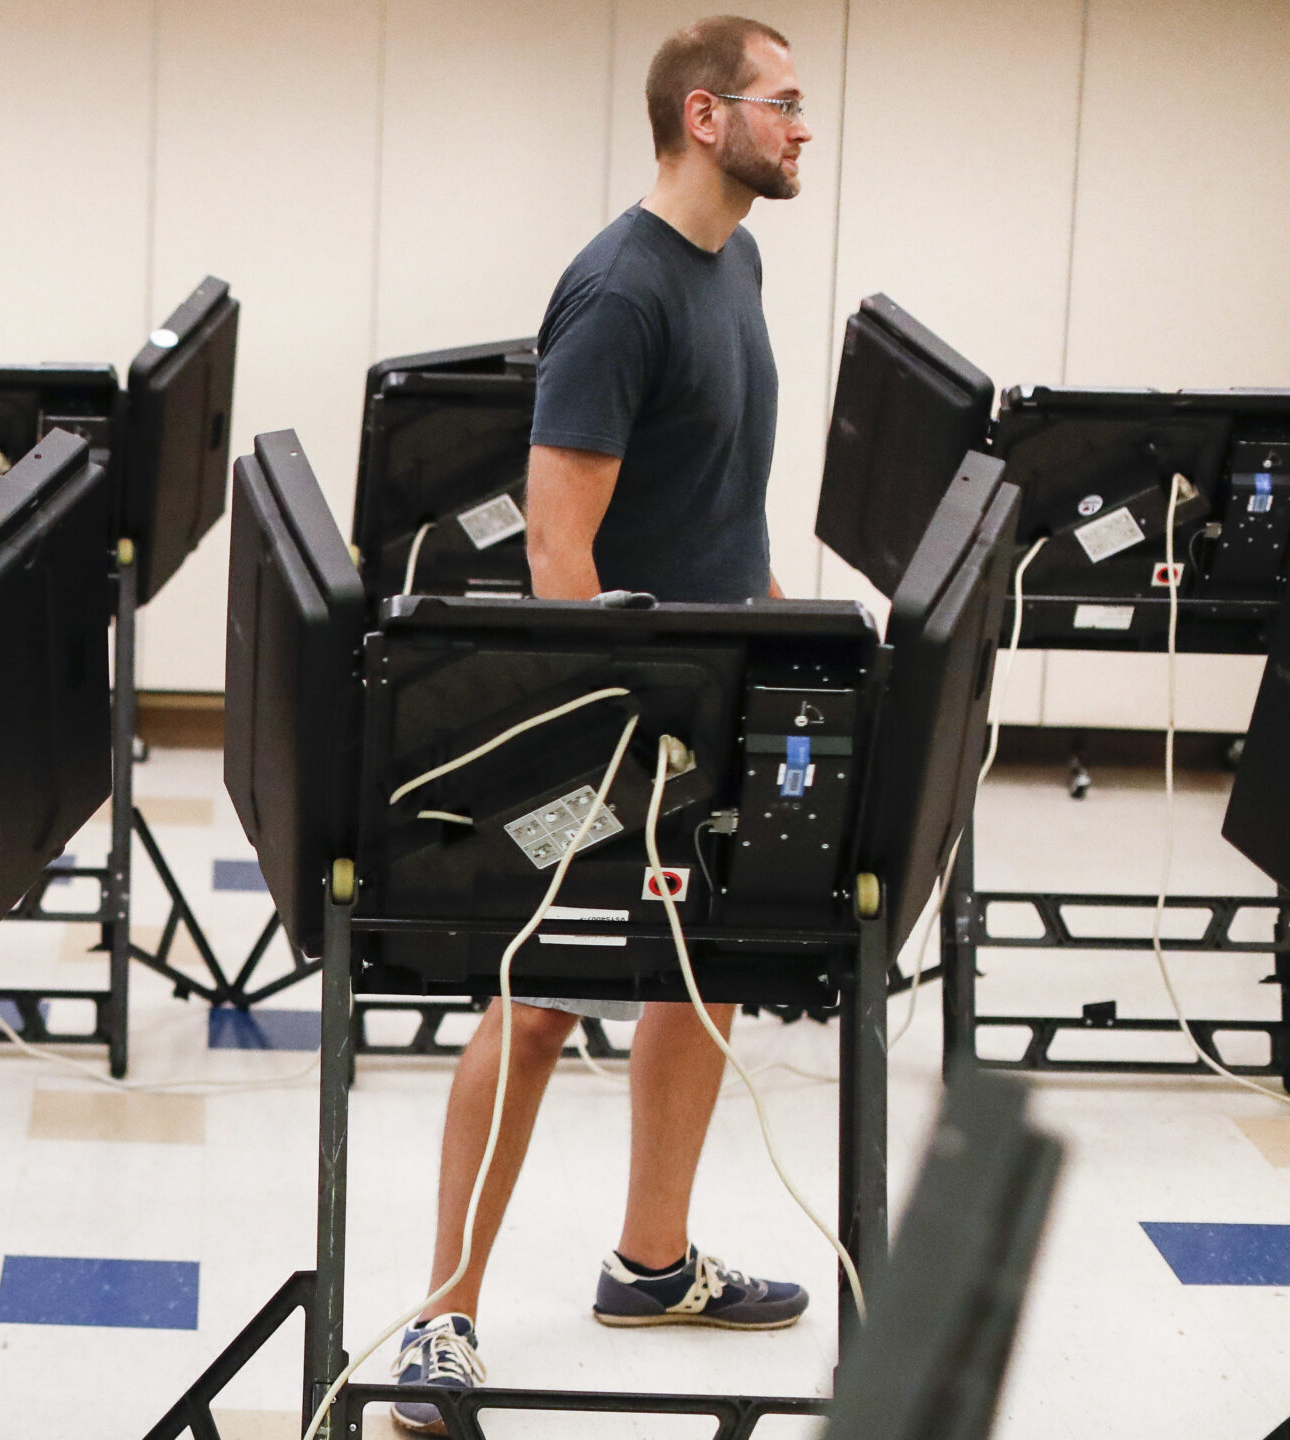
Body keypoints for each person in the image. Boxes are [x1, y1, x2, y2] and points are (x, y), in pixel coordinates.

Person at [392, 15, 816, 1434]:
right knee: (536, 1002)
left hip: (715, 691)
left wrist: (776, 627)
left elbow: (721, 495)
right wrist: (602, 738)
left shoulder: (735, 261)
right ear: (705, 115)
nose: (801, 129)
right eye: (782, 103)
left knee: (705, 971)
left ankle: (652, 1263)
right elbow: (554, 549)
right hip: (618, 720)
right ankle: (442, 1317)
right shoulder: (621, 292)